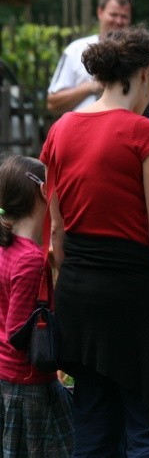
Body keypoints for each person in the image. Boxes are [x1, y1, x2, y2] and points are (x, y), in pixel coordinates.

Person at [40, 26, 149, 456]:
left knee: (92, 424)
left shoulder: (60, 130)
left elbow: (56, 231)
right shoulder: (146, 135)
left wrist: (64, 292)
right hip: (134, 301)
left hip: (78, 297)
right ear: (147, 73)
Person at [0, 154, 74, 457]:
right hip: (28, 383)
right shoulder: (30, 259)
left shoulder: (8, 249)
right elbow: (19, 331)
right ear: (44, 191)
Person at [46, 0, 133, 115]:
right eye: (113, 15)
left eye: (124, 17)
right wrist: (91, 86)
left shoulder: (136, 57)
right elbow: (52, 103)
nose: (118, 21)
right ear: (100, 12)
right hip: (80, 130)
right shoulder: (75, 50)